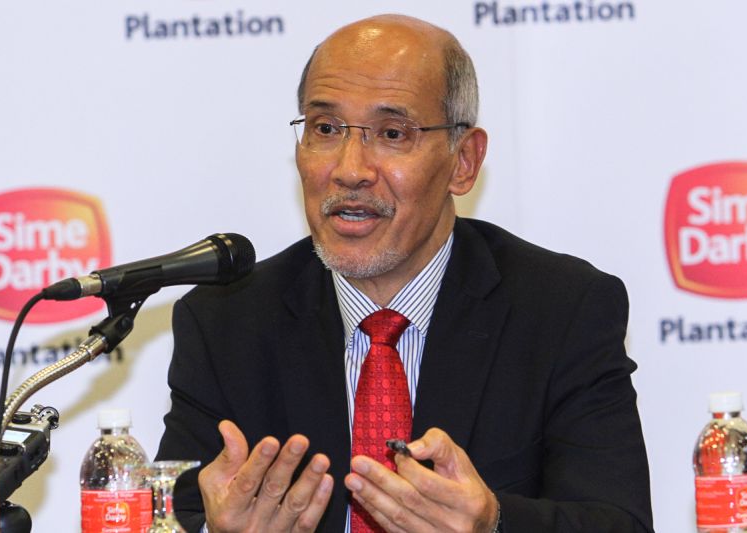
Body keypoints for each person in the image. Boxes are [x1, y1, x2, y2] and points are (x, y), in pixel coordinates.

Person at [156, 13, 654, 533]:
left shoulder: (563, 310)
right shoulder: (226, 321)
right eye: (325, 129)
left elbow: (619, 523)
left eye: (392, 133)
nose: (350, 170)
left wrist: (494, 523)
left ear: (464, 161)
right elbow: (176, 514)